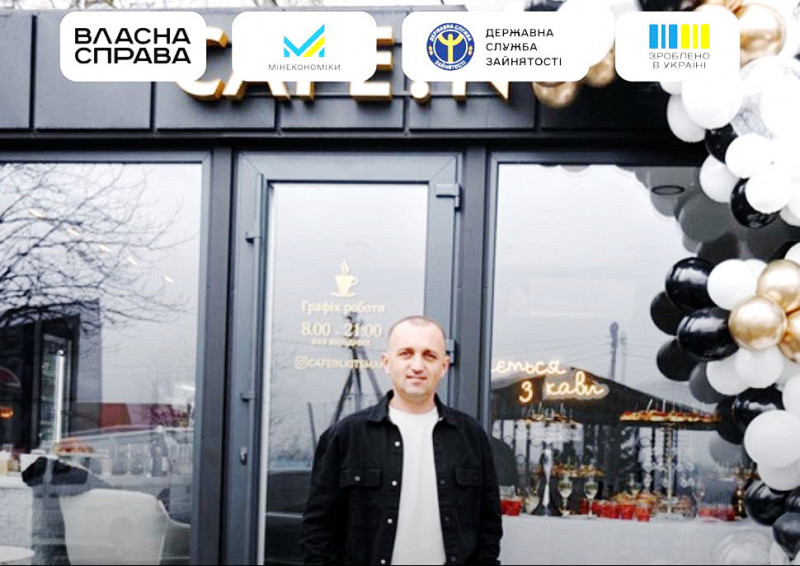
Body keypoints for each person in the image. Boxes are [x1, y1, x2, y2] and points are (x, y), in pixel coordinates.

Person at [301, 315, 502, 565]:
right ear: (387, 363)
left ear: (444, 366)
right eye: (406, 354)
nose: (417, 366)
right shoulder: (346, 436)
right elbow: (319, 531)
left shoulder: (471, 437)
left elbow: (489, 525)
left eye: (429, 355)